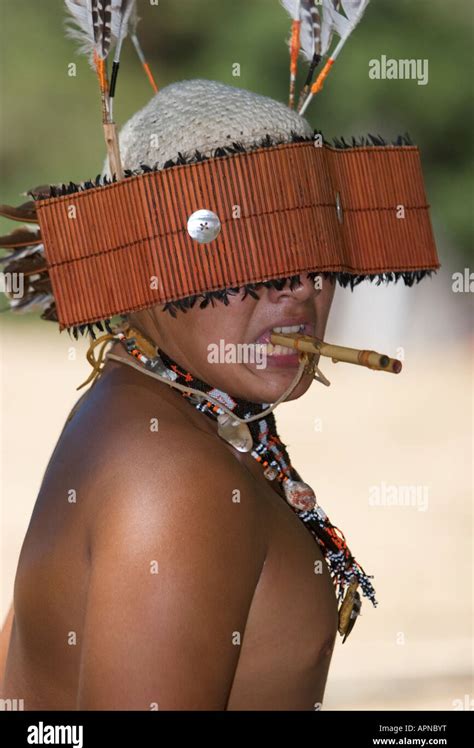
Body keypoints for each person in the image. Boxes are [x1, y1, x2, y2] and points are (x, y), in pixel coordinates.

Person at [0, 7, 439, 712]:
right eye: (242, 250)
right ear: (140, 267)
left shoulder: (150, 412)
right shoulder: (173, 478)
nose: (297, 286)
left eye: (310, 250)